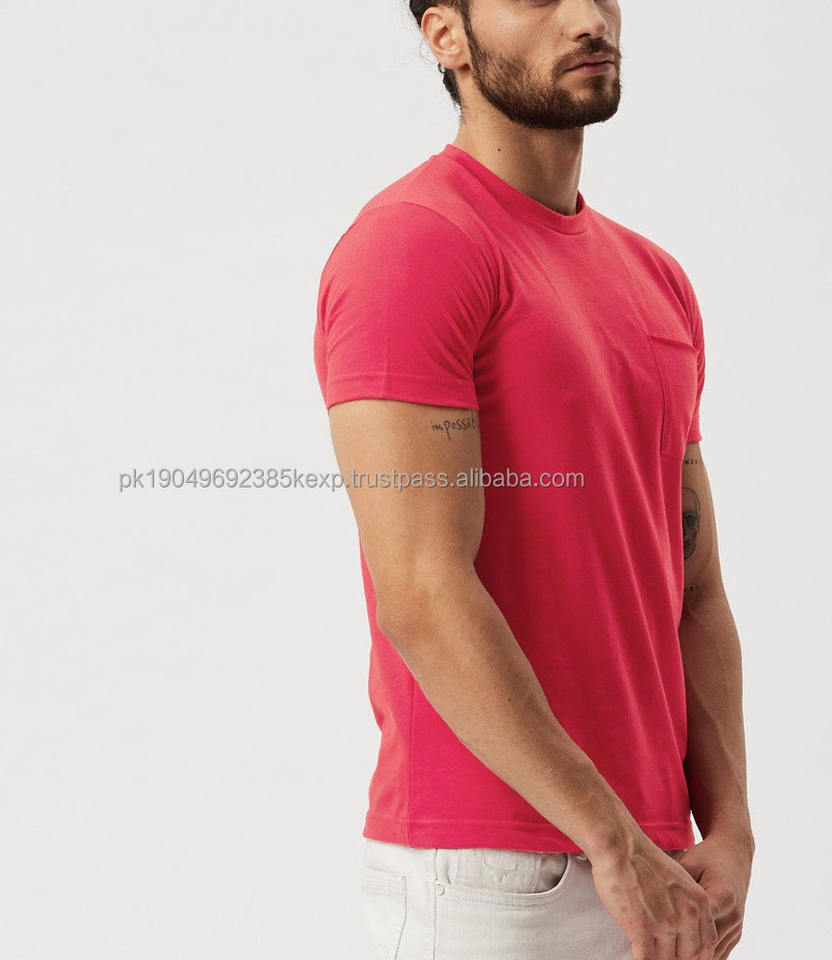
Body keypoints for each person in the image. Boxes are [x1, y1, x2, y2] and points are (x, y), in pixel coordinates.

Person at [312, 2, 754, 958]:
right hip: (496, 874)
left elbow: (694, 585)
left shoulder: (657, 279)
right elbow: (423, 591)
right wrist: (610, 838)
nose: (589, 17)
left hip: (661, 862)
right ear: (447, 37)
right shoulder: (415, 246)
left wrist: (731, 827)